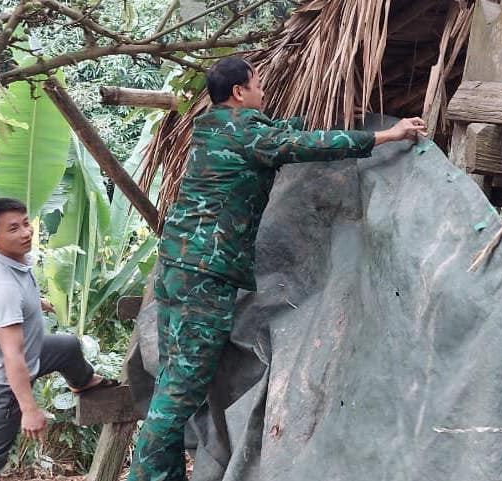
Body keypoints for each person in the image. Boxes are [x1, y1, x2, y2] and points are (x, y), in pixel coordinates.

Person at [127, 56, 426, 481]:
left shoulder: (210, 129)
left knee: (174, 384)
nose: (263, 91)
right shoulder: (249, 133)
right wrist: (386, 134)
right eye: (258, 83)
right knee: (181, 391)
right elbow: (310, 146)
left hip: (176, 268)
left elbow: (279, 134)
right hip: (205, 278)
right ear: (239, 93)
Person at [0, 198, 116, 481]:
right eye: (13, 229)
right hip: (1, 384)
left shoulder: (16, 260)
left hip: (31, 353)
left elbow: (20, 302)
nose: (25, 232)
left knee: (67, 346)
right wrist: (29, 409)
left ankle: (82, 382)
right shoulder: (2, 289)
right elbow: (12, 357)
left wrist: (38, 302)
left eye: (25, 223)